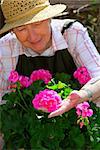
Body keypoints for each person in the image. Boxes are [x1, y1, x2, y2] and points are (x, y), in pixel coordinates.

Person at [0, 0, 100, 116]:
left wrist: (82, 95)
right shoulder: (4, 48)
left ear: (49, 18)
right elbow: (2, 100)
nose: (33, 36)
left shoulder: (72, 33)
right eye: (21, 29)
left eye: (37, 24)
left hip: (78, 121)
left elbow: (98, 77)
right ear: (13, 31)